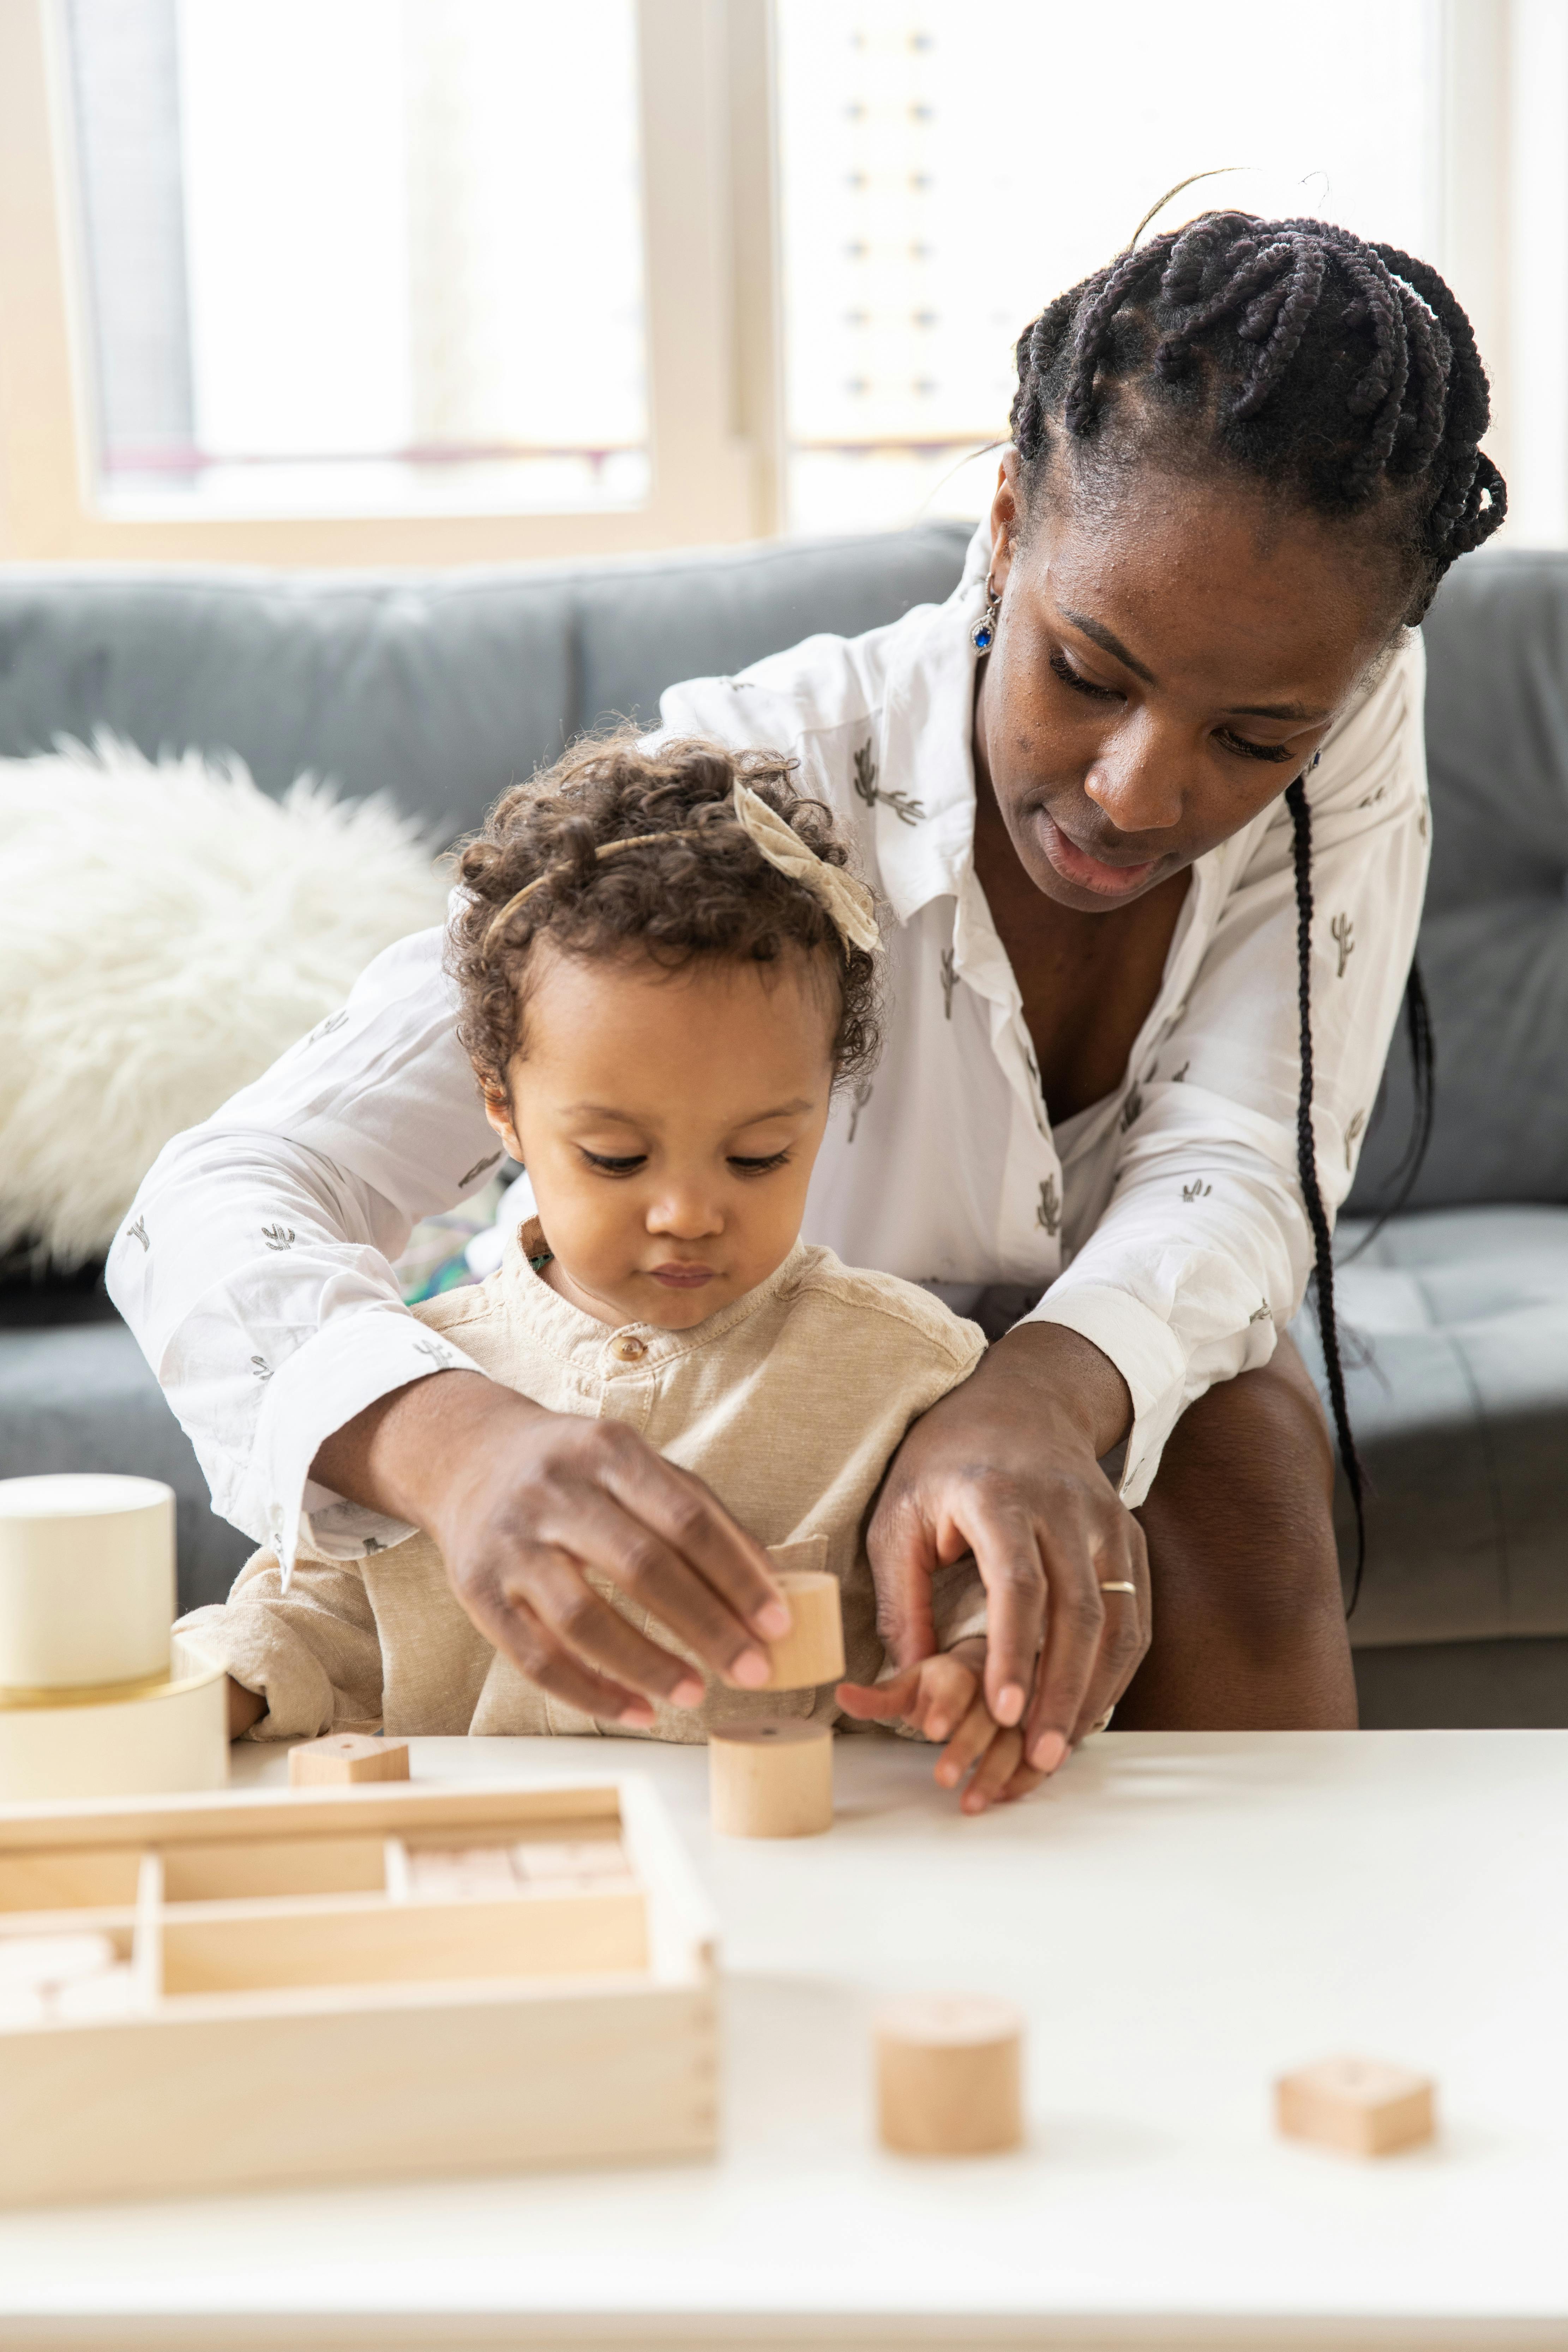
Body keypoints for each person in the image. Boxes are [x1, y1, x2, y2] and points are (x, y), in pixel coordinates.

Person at [112, 212, 1506, 1770]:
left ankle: (1254, 1986)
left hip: (1030, 1370)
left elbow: (1241, 1162)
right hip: (762, 1344)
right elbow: (223, 1189)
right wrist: (457, 1445)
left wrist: (1038, 1398)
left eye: (1253, 741)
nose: (1133, 791)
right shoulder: (743, 795)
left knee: (1242, 1459)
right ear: (1004, 525)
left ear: (1357, 681)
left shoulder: (1342, 718)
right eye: (1087, 673)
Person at [181, 735, 1034, 1811]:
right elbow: (306, 1626)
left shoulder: (908, 1374)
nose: (686, 1213)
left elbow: (981, 1596)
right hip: (484, 1885)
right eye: (617, 1159)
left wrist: (976, 1670)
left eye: (760, 1155)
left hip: (799, 1894)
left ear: (826, 1105)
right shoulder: (416, 1384)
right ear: (501, 1109)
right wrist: (195, 1695)